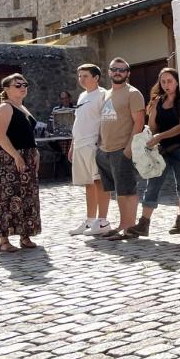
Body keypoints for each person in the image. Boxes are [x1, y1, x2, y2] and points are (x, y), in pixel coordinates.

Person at [131, 68, 180, 237]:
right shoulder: (159, 101)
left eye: (170, 81)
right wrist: (151, 115)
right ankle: (143, 224)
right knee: (153, 185)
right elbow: (152, 128)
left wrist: (159, 137)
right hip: (161, 151)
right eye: (163, 81)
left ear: (177, 82)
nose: (166, 85)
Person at [95, 57, 145, 240]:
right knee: (118, 191)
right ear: (109, 72)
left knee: (127, 190)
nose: (118, 72)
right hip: (105, 150)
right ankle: (123, 224)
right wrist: (100, 146)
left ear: (128, 73)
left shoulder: (133, 93)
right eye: (114, 69)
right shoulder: (106, 94)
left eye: (122, 70)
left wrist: (129, 149)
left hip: (122, 149)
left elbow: (139, 123)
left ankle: (129, 228)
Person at [0, 74, 42, 253]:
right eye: (17, 85)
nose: (22, 87)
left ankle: (25, 235)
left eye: (24, 84)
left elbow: (27, 134)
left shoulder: (21, 107)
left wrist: (34, 151)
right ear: (6, 89)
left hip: (26, 156)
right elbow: (0, 135)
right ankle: (3, 240)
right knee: (7, 197)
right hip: (10, 158)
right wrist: (16, 156)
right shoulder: (5, 107)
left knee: (27, 196)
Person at [67, 64, 110, 236]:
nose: (81, 79)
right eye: (79, 76)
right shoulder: (82, 96)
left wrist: (102, 143)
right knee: (88, 183)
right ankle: (90, 220)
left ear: (96, 77)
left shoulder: (104, 95)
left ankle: (102, 221)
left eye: (85, 76)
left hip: (94, 144)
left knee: (99, 181)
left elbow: (107, 120)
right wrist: (72, 145)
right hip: (80, 145)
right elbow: (79, 122)